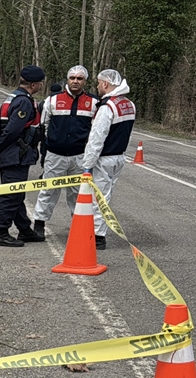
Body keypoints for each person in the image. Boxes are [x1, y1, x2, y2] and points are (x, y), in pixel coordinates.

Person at [33, 66, 97, 238]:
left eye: (79, 78)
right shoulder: (52, 100)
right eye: (72, 78)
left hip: (80, 157)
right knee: (48, 191)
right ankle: (39, 225)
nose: (75, 81)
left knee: (78, 194)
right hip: (55, 155)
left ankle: (79, 228)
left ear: (85, 81)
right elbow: (44, 125)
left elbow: (95, 130)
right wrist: (50, 145)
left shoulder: (93, 102)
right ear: (67, 79)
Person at [0, 65, 45, 247]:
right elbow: (12, 130)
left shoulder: (12, 98)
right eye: (41, 83)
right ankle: (1, 232)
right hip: (16, 154)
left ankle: (25, 230)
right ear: (34, 84)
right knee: (10, 195)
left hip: (12, 153)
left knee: (17, 194)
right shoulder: (24, 102)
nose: (42, 85)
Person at [81, 68, 135, 250]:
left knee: (98, 198)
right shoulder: (128, 104)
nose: (97, 86)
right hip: (119, 157)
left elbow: (97, 138)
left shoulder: (107, 107)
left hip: (104, 159)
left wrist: (87, 165)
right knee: (107, 195)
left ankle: (97, 236)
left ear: (105, 83)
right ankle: (98, 232)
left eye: (98, 83)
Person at [36, 82, 64, 166]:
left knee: (45, 151)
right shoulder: (63, 101)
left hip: (46, 132)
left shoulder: (44, 102)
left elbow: (42, 120)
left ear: (50, 91)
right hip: (59, 133)